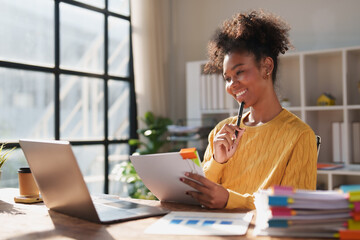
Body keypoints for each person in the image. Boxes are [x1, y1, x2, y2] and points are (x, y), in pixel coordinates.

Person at [180, 10, 317, 210]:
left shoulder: (300, 136)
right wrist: (218, 161)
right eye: (227, 78)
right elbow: (200, 196)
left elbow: (294, 207)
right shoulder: (221, 130)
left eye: (240, 72)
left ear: (266, 67)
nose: (232, 85)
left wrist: (229, 200)